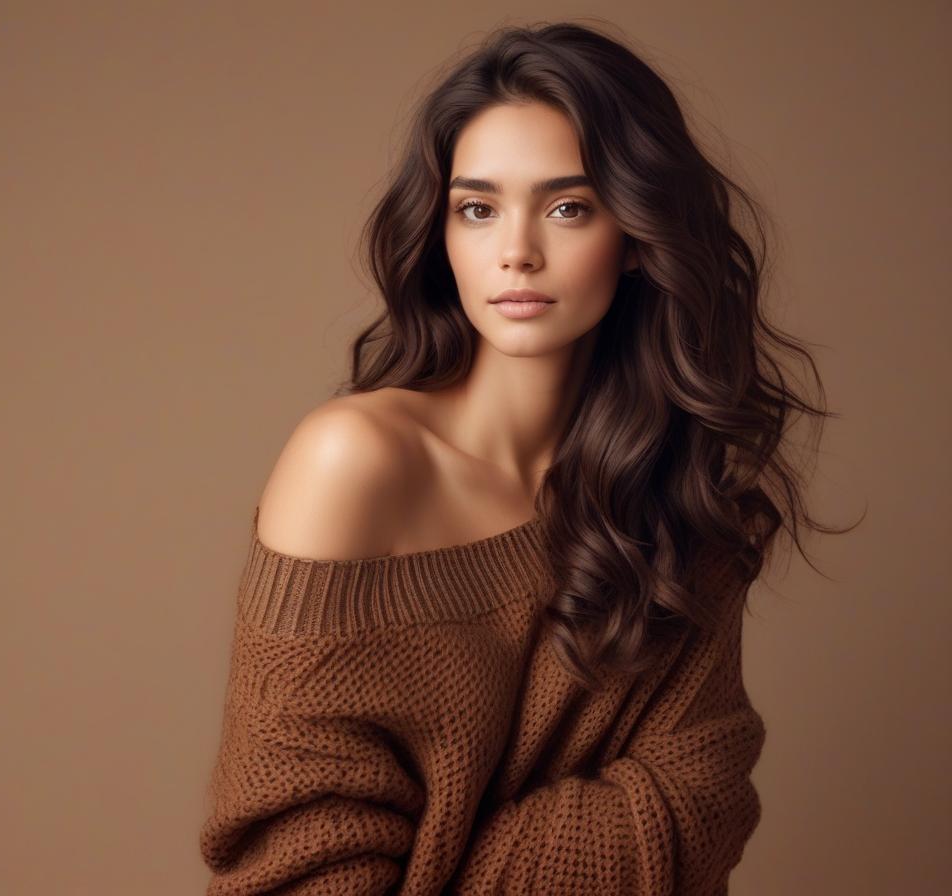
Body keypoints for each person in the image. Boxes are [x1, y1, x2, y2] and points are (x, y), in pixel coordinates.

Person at [198, 20, 852, 895]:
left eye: (567, 207)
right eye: (478, 208)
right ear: (440, 236)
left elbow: (702, 790)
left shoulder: (677, 496)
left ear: (635, 236)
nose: (516, 251)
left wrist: (456, 869)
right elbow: (291, 858)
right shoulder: (354, 462)